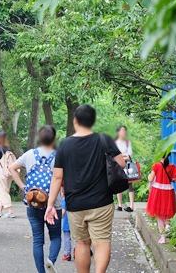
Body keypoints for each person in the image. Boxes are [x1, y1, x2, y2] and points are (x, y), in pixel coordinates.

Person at [45, 105, 125, 273]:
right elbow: (121, 164)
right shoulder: (104, 140)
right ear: (92, 121)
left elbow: (57, 177)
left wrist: (50, 205)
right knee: (101, 242)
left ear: (75, 121)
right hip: (101, 202)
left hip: (75, 205)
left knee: (81, 243)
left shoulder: (64, 145)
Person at [9, 125, 62, 273]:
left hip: (33, 203)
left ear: (40, 138)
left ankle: (41, 272)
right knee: (56, 237)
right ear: (54, 139)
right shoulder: (59, 155)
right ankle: (51, 260)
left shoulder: (29, 154)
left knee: (38, 240)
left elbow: (12, 168)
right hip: (54, 204)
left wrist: (23, 187)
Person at [146, 153, 176, 244]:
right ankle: (168, 225)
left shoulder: (157, 165)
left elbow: (150, 179)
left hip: (157, 192)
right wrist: (171, 179)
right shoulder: (172, 167)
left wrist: (149, 175)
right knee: (167, 212)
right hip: (168, 191)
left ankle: (162, 237)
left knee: (159, 215)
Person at [0, 131, 15, 218]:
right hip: (10, 172)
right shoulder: (7, 148)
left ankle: (10, 210)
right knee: (4, 190)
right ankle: (0, 210)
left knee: (2, 191)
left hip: (2, 172)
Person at [114, 125, 135, 212]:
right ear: (118, 132)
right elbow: (114, 154)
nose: (123, 132)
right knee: (118, 184)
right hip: (118, 165)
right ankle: (119, 205)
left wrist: (122, 156)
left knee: (130, 184)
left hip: (127, 165)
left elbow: (130, 155)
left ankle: (131, 206)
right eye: (122, 131)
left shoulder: (127, 142)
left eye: (124, 131)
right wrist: (123, 155)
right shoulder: (114, 142)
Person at [61, 194, 73, 262]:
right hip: (74, 222)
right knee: (77, 239)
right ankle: (77, 252)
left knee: (67, 239)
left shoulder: (64, 200)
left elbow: (62, 212)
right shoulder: (73, 198)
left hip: (66, 223)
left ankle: (67, 254)